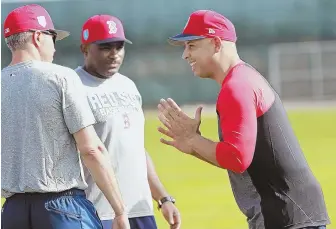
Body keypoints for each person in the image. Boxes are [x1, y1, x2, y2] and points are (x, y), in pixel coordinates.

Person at [157, 10, 330, 229]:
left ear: (216, 43)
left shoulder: (236, 88)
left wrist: (193, 140)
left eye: (191, 46)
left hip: (284, 215)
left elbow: (237, 158)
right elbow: (241, 162)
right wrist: (194, 146)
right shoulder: (243, 79)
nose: (185, 55)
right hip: (294, 213)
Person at [1, 4, 130, 229]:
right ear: (38, 37)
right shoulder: (61, 77)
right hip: (62, 208)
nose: (55, 48)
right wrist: (119, 210)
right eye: (53, 38)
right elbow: (91, 149)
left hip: (12, 212)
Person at [74, 14, 181, 229]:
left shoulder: (128, 86)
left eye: (119, 46)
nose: (114, 54)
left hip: (139, 210)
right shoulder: (73, 87)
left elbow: (136, 150)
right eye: (105, 47)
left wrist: (163, 198)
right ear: (84, 49)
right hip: (96, 211)